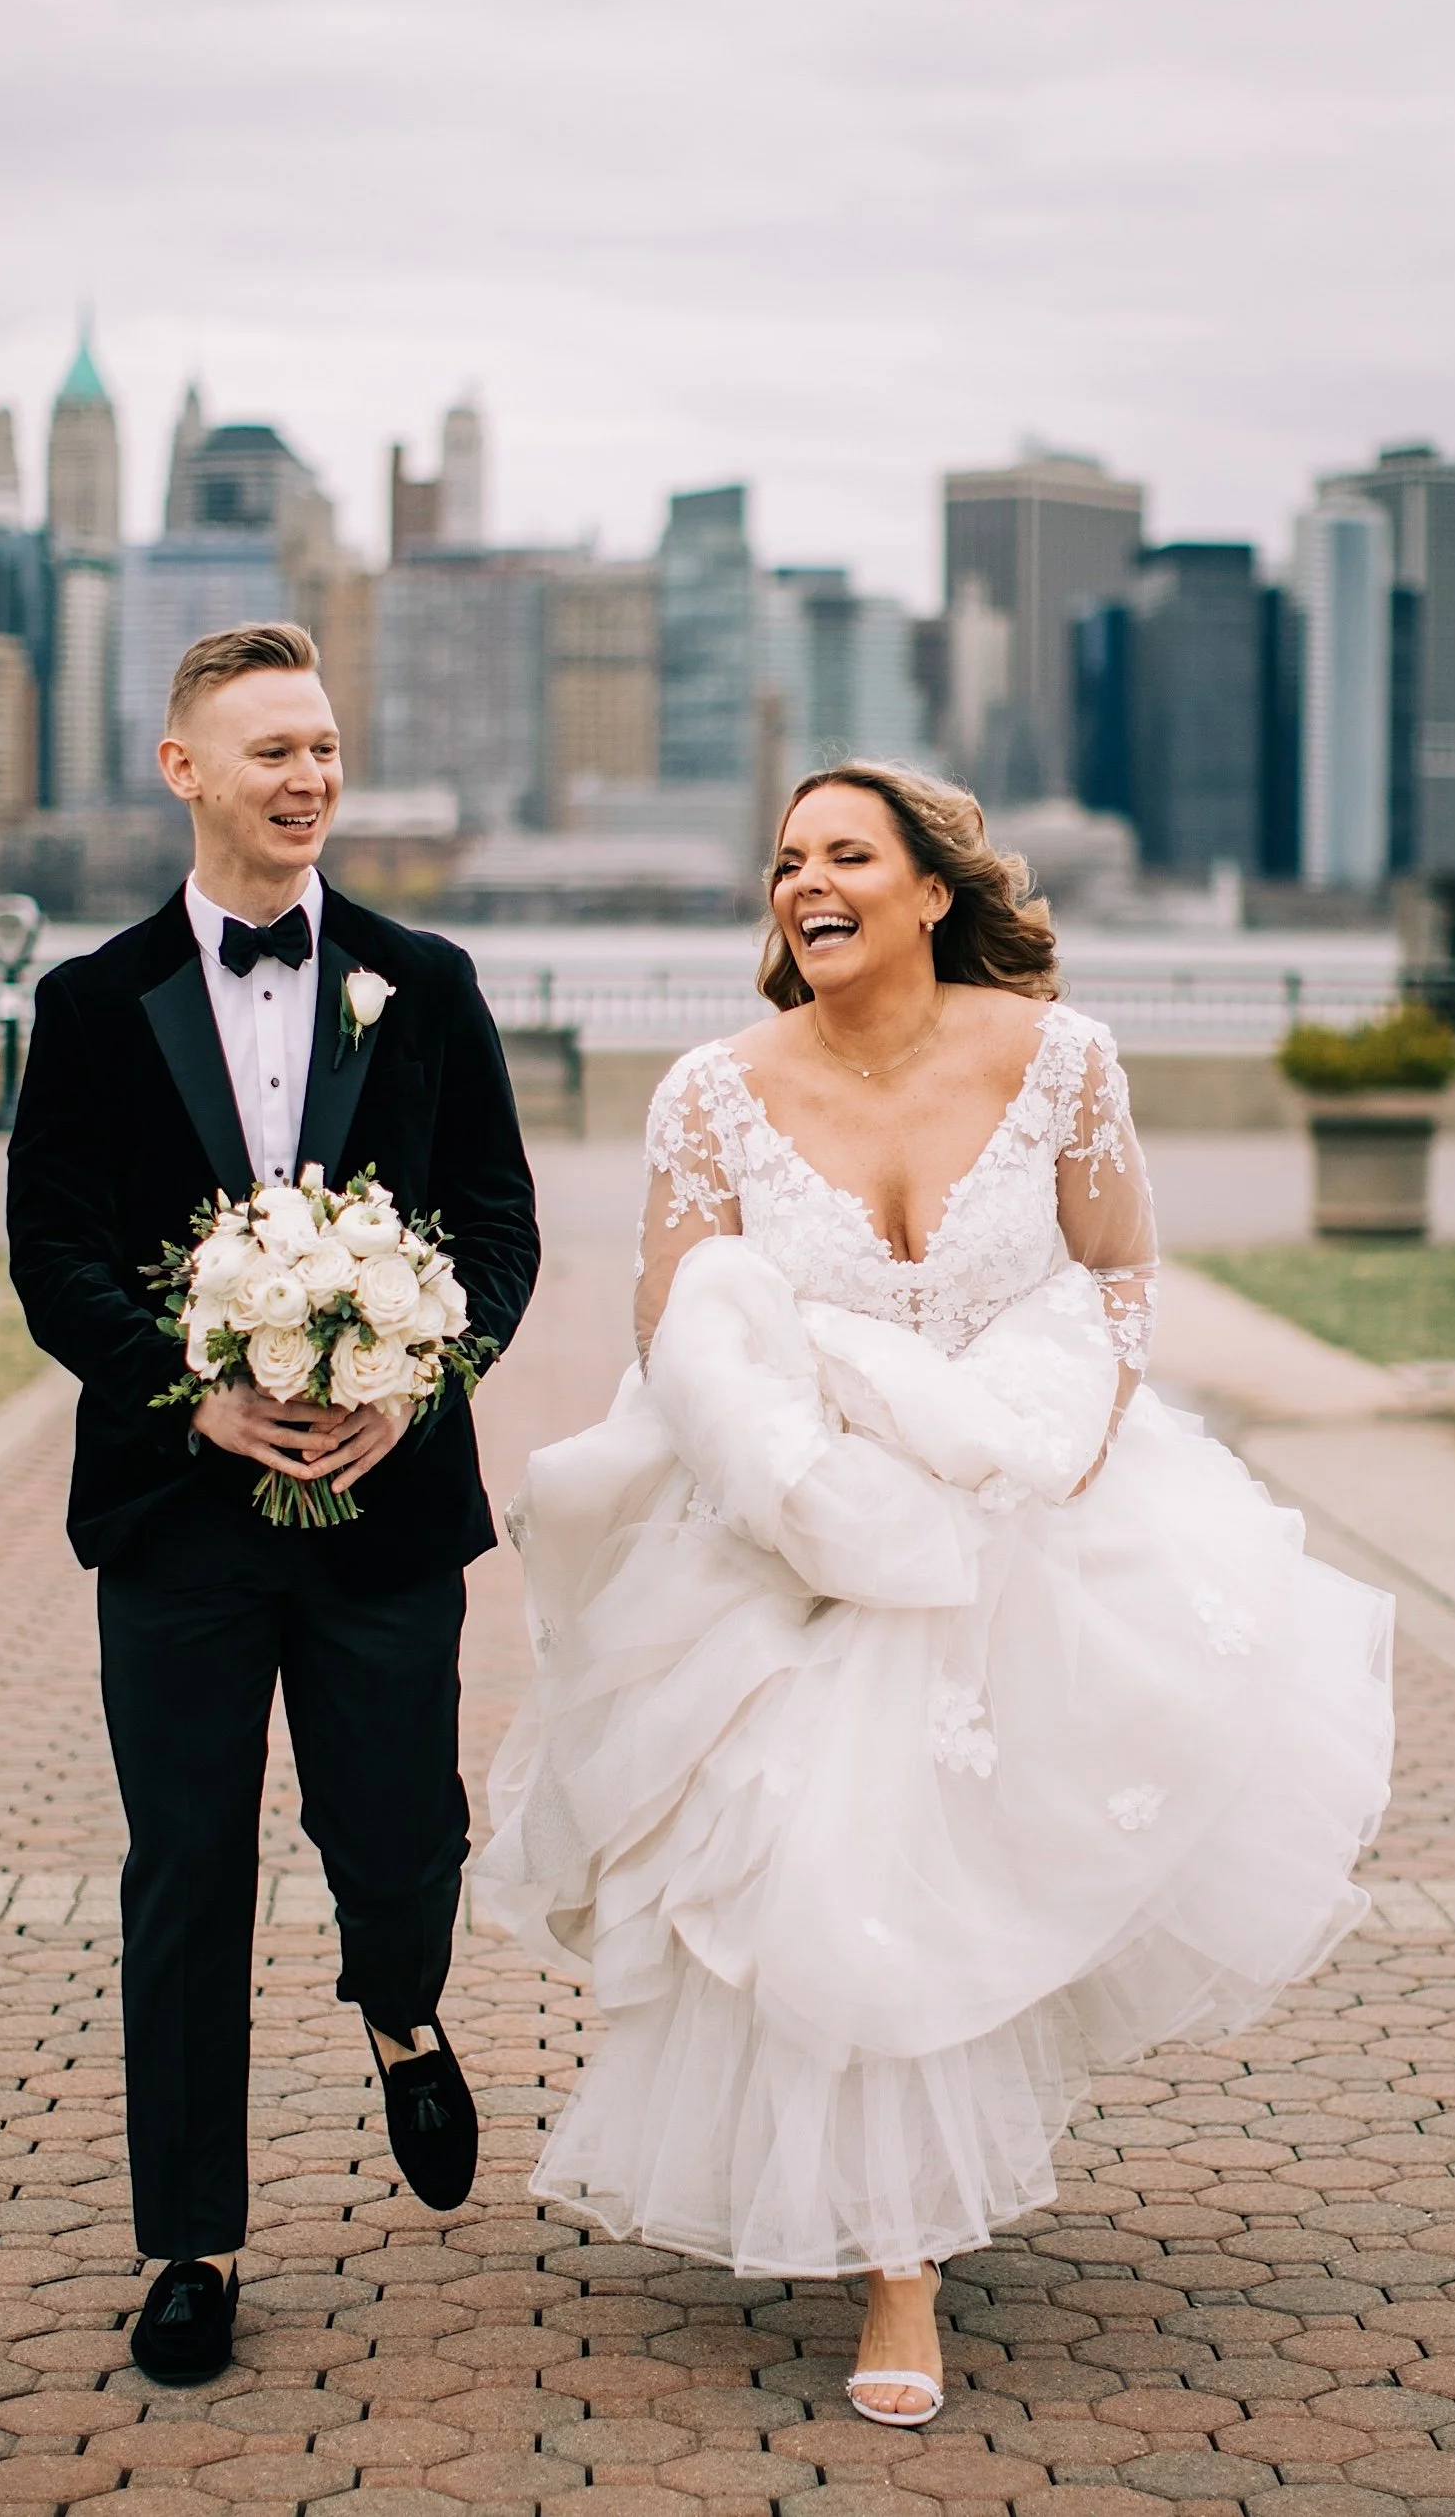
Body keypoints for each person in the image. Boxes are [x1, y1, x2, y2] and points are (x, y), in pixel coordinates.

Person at [481, 762, 1391, 2428]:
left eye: (844, 855)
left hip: (1019, 1514)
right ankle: (899, 2267)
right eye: (782, 861)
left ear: (927, 891)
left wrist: (1052, 1436)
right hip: (791, 1523)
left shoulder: (1062, 1061)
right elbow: (678, 1340)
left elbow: (1115, 1275)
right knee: (829, 1848)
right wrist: (815, 1478)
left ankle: (900, 2215)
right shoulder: (713, 1093)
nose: (802, 883)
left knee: (952, 1855)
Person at [8, 621, 539, 2385]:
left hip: (387, 1511)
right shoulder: (88, 1007)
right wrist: (198, 1389)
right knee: (187, 1877)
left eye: (324, 747)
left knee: (401, 1846)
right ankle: (192, 2246)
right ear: (185, 771)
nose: (309, 778)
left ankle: (399, 2007)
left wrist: (411, 1382)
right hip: (176, 1519)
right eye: (272, 752)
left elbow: (498, 1230)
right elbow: (52, 1255)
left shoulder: (427, 981)